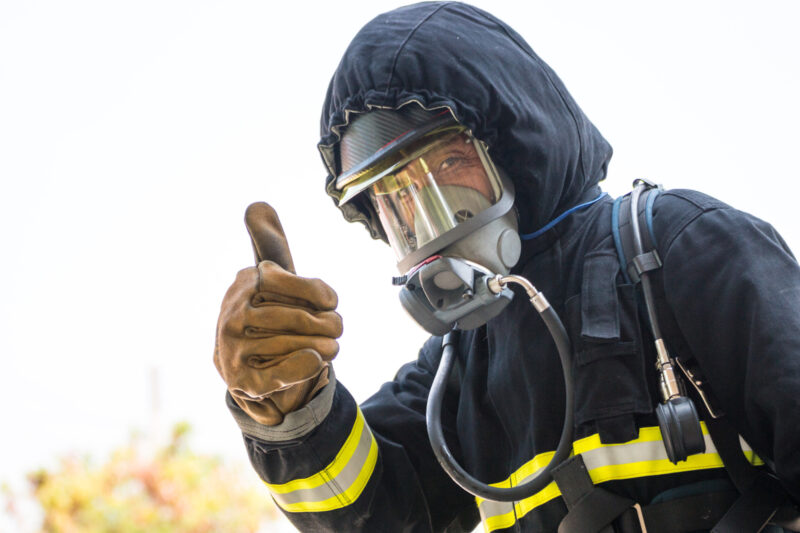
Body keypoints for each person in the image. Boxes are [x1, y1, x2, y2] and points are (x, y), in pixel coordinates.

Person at [213, 3, 800, 531]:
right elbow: (370, 516)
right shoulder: (456, 371)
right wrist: (287, 405)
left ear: (518, 144)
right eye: (397, 195)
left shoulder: (684, 249)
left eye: (447, 161)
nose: (430, 213)